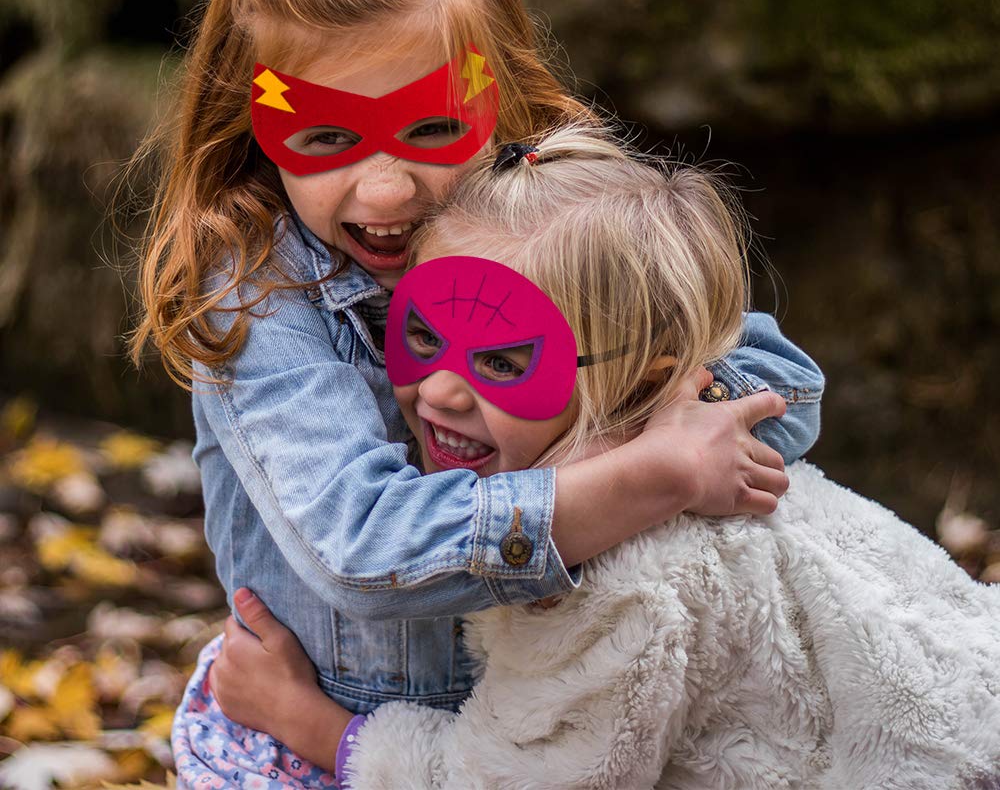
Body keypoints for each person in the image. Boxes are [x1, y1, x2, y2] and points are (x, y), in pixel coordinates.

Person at [127, 0, 821, 784]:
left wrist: (647, 418)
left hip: (545, 732)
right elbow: (364, 547)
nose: (386, 190)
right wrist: (647, 476)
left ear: (496, 89)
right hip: (317, 741)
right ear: (251, 116)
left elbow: (782, 388)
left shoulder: (547, 224)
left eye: (429, 128)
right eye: (326, 135)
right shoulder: (257, 292)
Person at [207, 125, 1000, 790]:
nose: (441, 391)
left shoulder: (623, 582)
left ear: (648, 380)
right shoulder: (691, 445)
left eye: (504, 361)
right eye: (419, 333)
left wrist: (311, 725)